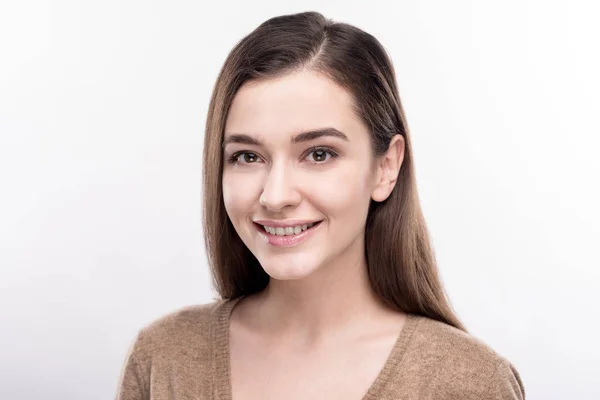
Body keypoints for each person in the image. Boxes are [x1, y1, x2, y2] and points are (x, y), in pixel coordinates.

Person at [115, 11, 525, 400]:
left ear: (386, 167)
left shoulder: (468, 382)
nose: (275, 196)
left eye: (319, 154)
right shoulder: (162, 358)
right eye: (248, 156)